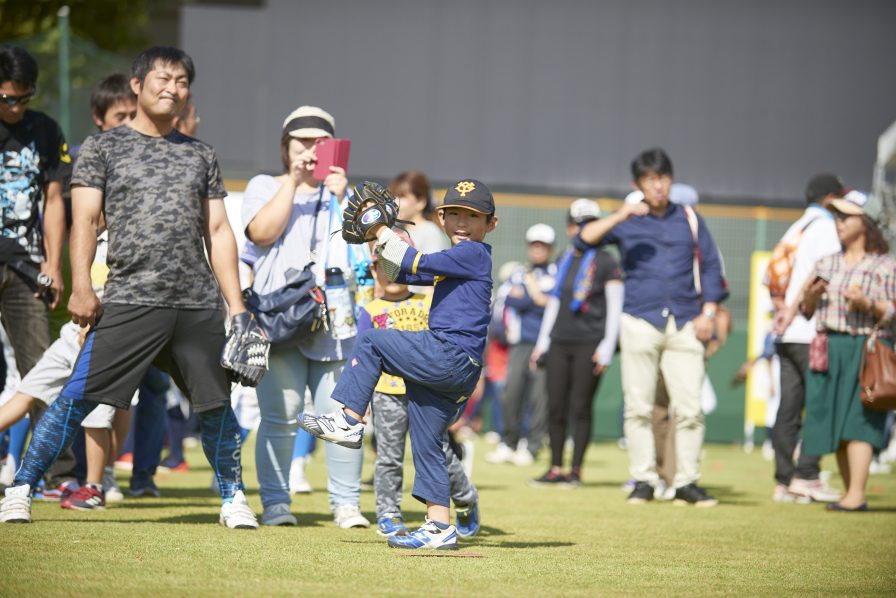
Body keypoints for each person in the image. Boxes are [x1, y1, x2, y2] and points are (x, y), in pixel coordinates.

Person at [0, 46, 260, 528]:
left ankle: (233, 498)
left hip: (196, 304)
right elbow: (83, 221)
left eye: (182, 81)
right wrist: (82, 286)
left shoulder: (202, 154)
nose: (174, 89)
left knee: (217, 407)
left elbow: (219, 232)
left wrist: (237, 308)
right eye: (163, 79)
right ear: (137, 85)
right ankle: (20, 489)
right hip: (128, 299)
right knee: (75, 397)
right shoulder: (101, 148)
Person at [301, 179, 497, 550]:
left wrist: (380, 227)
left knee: (374, 338)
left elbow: (410, 262)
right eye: (452, 212)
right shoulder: (459, 258)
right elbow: (402, 272)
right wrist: (379, 242)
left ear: (491, 223)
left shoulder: (473, 253)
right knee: (427, 445)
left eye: (472, 216)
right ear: (440, 217)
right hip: (455, 364)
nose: (460, 222)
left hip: (449, 352)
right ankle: (439, 527)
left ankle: (348, 420)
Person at [242, 105, 369, 528]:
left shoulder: (345, 195)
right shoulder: (265, 185)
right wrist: (294, 183)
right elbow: (261, 233)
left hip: (336, 322)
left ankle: (347, 505)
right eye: (302, 142)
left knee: (341, 417)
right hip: (279, 319)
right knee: (281, 416)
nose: (311, 151)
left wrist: (341, 196)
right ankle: (277, 503)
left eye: (321, 143)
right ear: (285, 146)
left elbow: (365, 254)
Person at [578, 148, 728, 507]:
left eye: (662, 178)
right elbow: (583, 239)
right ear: (638, 184)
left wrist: (708, 312)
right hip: (639, 320)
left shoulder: (690, 218)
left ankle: (686, 482)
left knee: (690, 408)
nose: (658, 185)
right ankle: (644, 480)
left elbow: (710, 268)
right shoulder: (628, 219)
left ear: (671, 180)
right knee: (638, 407)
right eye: (649, 179)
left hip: (686, 321)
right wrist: (621, 214)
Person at [363, 229, 480, 538]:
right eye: (380, 265)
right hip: (387, 392)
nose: (388, 273)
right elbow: (359, 358)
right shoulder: (370, 308)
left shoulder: (427, 299)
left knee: (438, 451)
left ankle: (465, 496)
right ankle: (388, 513)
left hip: (426, 389)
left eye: (392, 264)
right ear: (373, 270)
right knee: (388, 456)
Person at [0, 45, 71, 497]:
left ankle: (57, 475)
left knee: (42, 371)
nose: (16, 107)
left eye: (23, 98)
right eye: (7, 98)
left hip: (27, 269)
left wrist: (53, 263)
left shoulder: (43, 130)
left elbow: (55, 201)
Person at [799, 190, 896, 512]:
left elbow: (892, 311)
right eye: (836, 216)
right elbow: (805, 309)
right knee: (835, 423)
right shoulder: (827, 262)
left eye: (845, 216)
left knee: (859, 421)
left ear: (866, 222)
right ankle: (850, 493)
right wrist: (811, 299)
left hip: (866, 347)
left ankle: (856, 494)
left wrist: (868, 304)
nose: (838, 222)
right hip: (829, 347)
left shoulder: (884, 265)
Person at [528, 200, 623, 486]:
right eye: (578, 224)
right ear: (570, 227)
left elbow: (615, 307)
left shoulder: (607, 261)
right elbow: (555, 302)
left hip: (589, 342)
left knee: (579, 407)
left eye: (590, 223)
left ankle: (576, 470)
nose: (582, 229)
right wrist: (542, 342)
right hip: (559, 341)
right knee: (555, 405)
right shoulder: (564, 258)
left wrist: (607, 346)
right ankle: (556, 467)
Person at [767, 173, 845, 503]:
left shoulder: (795, 228)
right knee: (818, 404)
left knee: (788, 407)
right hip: (811, 330)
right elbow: (823, 275)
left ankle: (784, 480)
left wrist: (782, 309)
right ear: (832, 197)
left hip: (786, 332)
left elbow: (769, 276)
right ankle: (808, 475)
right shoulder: (828, 227)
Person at [486, 224, 556, 467]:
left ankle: (533, 445)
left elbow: (545, 303)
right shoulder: (517, 273)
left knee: (538, 398)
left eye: (542, 245)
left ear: (550, 248)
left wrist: (529, 297)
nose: (537, 249)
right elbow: (511, 301)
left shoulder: (554, 273)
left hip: (544, 345)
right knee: (511, 393)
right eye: (534, 244)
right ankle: (509, 441)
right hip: (518, 344)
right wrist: (532, 299)